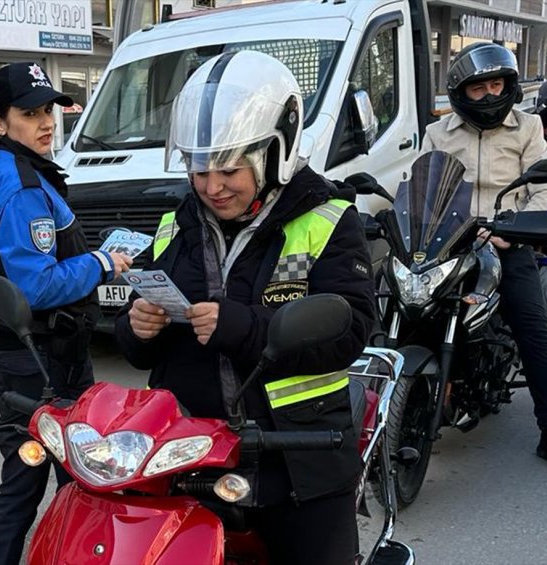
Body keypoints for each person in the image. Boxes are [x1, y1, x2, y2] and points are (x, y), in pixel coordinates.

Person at [114, 51, 375, 564]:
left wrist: (243, 326)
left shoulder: (329, 220)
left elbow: (352, 329)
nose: (213, 187)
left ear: (274, 152)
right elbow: (141, 347)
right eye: (199, 169)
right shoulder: (176, 224)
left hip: (299, 455)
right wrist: (137, 328)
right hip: (190, 451)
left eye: (229, 169)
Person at [0, 62, 132, 565]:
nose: (46, 121)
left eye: (49, 109)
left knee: (31, 483)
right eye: (30, 113)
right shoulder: (24, 183)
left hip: (21, 352)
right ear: (0, 123)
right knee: (74, 485)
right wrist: (100, 262)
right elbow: (36, 284)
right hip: (45, 358)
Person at [422, 42, 547, 473]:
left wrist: (515, 225)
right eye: (478, 88)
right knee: (408, 308)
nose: (488, 94)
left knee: (533, 332)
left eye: (496, 84)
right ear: (461, 92)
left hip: (510, 241)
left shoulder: (528, 127)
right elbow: (424, 186)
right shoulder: (439, 133)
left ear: (508, 85)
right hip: (452, 244)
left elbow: (546, 188)